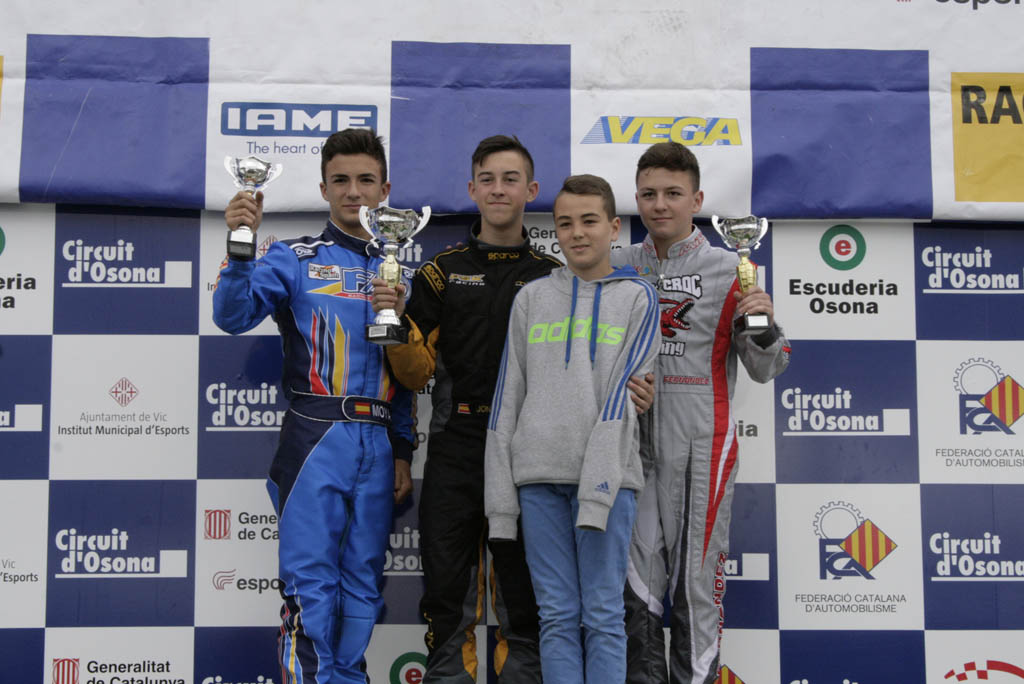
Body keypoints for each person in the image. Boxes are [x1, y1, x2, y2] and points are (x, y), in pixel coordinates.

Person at [213, 128, 415, 684]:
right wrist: (240, 246)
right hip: (315, 436)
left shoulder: (398, 270)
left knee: (362, 589)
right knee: (311, 589)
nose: (354, 192)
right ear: (323, 189)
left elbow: (406, 375)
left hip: (378, 442)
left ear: (385, 190)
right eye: (341, 181)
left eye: (366, 180)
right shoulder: (294, 257)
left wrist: (402, 450)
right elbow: (231, 317)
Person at [371, 135, 558, 684]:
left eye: (510, 179)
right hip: (457, 444)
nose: (499, 189)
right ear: (471, 189)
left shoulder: (555, 274)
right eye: (488, 179)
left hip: (529, 449)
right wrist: (394, 324)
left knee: (524, 591)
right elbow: (414, 374)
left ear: (532, 190)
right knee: (447, 590)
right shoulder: (440, 271)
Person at [615, 141, 791, 684]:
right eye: (648, 194)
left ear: (697, 200)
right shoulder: (617, 266)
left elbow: (766, 367)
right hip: (626, 446)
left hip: (701, 446)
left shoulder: (730, 268)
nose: (659, 204)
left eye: (673, 193)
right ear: (636, 199)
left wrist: (762, 324)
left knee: (695, 586)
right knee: (634, 587)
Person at [485, 174, 660, 684]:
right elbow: (508, 397)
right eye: (565, 223)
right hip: (537, 479)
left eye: (589, 221)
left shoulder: (638, 298)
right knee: (557, 616)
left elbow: (622, 403)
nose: (577, 233)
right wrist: (501, 504)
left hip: (606, 481)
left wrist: (598, 491)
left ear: (613, 227)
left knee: (602, 615)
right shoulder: (531, 298)